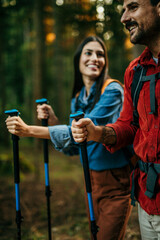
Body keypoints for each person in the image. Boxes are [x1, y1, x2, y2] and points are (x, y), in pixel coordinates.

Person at [5, 36, 132, 240]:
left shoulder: (113, 91)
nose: (95, 58)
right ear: (78, 60)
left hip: (115, 182)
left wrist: (30, 130)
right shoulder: (78, 98)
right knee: (95, 235)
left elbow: (83, 130)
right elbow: (76, 146)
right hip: (89, 180)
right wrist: (54, 121)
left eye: (100, 54)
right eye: (88, 53)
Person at [71, 1, 160, 239]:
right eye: (122, 10)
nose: (123, 18)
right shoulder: (135, 71)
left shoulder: (111, 89)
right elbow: (129, 126)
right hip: (147, 199)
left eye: (133, 7)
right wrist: (97, 132)